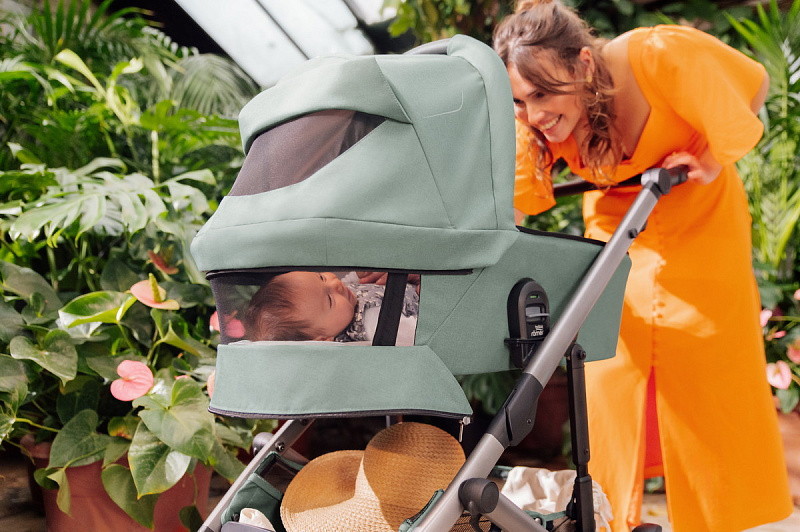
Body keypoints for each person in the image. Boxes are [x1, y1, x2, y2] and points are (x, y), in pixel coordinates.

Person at [493, 1, 793, 530]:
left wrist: (709, 160)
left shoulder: (657, 55)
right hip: (620, 225)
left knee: (706, 368)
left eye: (542, 94)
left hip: (699, 215)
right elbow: (519, 203)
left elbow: (755, 84)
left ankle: (719, 518)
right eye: (519, 100)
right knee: (611, 366)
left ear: (584, 64)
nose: (533, 113)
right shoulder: (532, 121)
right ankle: (609, 513)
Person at [243, 271, 419, 345]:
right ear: (323, 340)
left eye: (321, 277)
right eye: (329, 300)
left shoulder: (345, 299)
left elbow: (353, 278)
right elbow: (417, 334)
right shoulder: (372, 324)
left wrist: (362, 272)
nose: (335, 284)